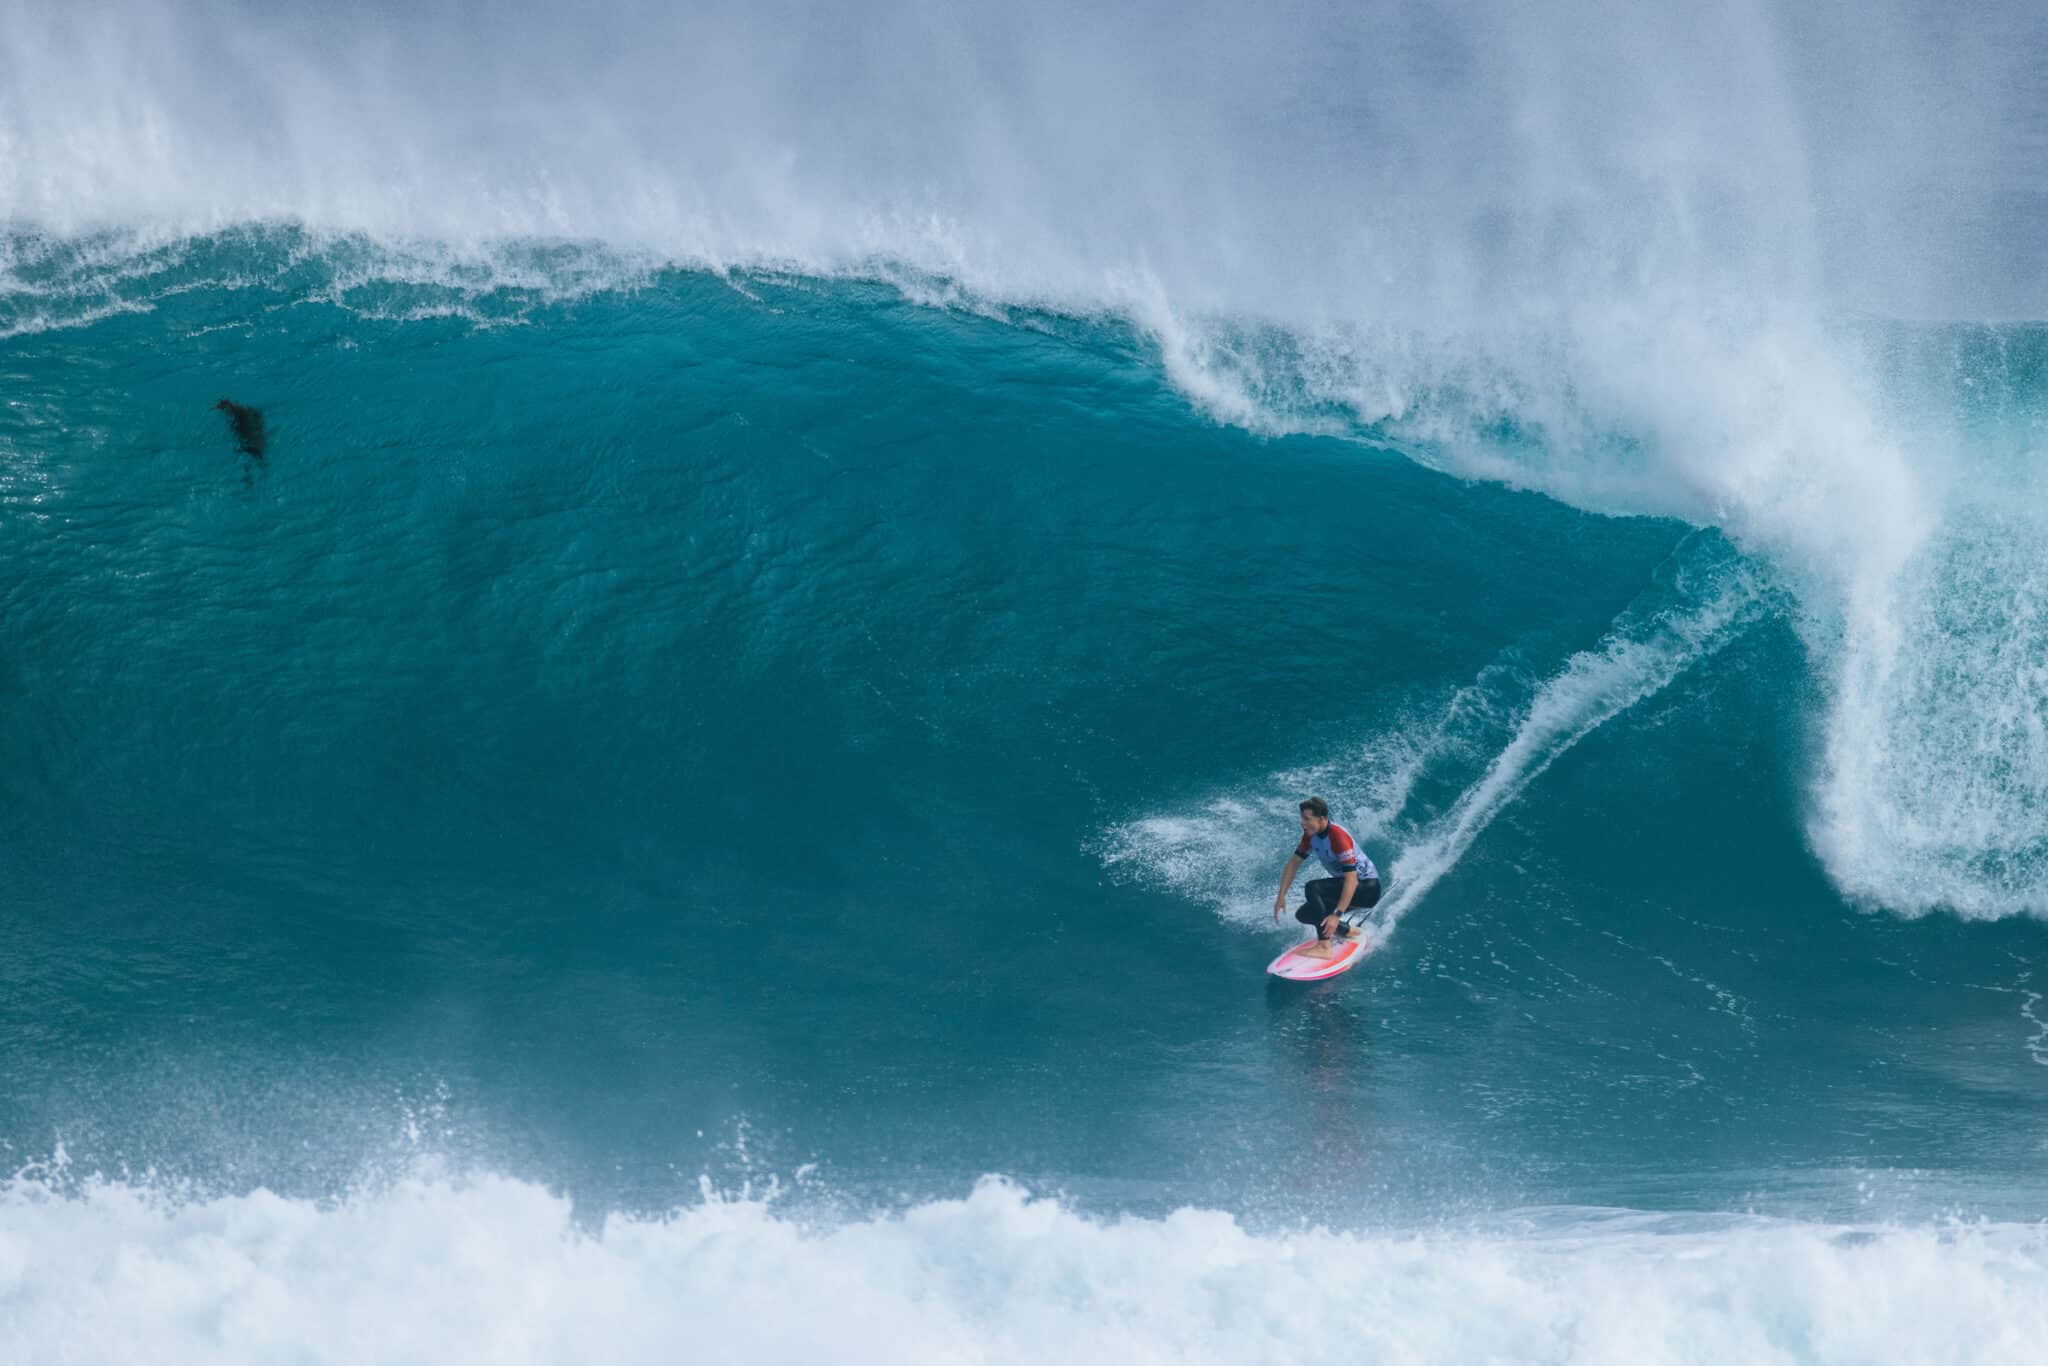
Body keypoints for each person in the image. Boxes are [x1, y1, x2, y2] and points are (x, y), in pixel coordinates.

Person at [1272, 797, 1382, 958]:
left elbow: (1351, 880)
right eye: (1302, 818)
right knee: (1305, 914)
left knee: (1313, 887)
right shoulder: (1310, 836)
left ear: (1321, 818)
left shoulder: (1338, 837)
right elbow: (1293, 864)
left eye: (1307, 819)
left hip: (1367, 889)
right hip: (1350, 886)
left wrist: (1336, 914)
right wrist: (1281, 896)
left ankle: (1324, 947)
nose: (1302, 823)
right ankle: (1345, 930)